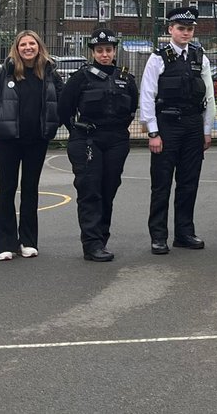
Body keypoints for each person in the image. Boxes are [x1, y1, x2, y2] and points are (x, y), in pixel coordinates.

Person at [0, 30, 63, 260]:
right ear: (17, 48)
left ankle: (28, 241)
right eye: (23, 44)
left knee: (30, 189)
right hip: (8, 142)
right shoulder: (3, 73)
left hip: (37, 141)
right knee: (7, 189)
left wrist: (54, 120)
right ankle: (5, 243)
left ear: (39, 46)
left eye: (32, 43)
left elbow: (62, 102)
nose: (28, 47)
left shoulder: (50, 72)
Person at [139, 6, 216, 254]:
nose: (186, 33)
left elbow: (209, 96)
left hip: (193, 125)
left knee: (189, 182)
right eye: (181, 28)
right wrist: (153, 132)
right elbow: (148, 95)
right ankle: (158, 236)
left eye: (190, 29)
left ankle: (184, 233)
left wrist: (206, 129)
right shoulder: (158, 58)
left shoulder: (199, 57)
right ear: (170, 29)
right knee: (161, 184)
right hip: (167, 125)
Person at [57, 27, 139, 262]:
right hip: (88, 139)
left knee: (108, 189)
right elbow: (65, 108)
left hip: (116, 139)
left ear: (115, 51)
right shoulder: (81, 77)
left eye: (109, 50)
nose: (104, 54)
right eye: (100, 50)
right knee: (90, 191)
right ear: (93, 52)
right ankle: (91, 243)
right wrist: (76, 133)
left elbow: (132, 108)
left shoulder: (125, 77)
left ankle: (102, 238)